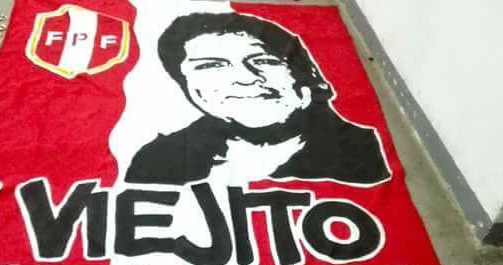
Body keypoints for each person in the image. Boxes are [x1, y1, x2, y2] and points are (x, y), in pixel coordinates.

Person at [124, 12, 390, 186]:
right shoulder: (158, 160)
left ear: (311, 77)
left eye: (264, 60)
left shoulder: (365, 153)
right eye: (211, 65)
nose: (245, 79)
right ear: (187, 88)